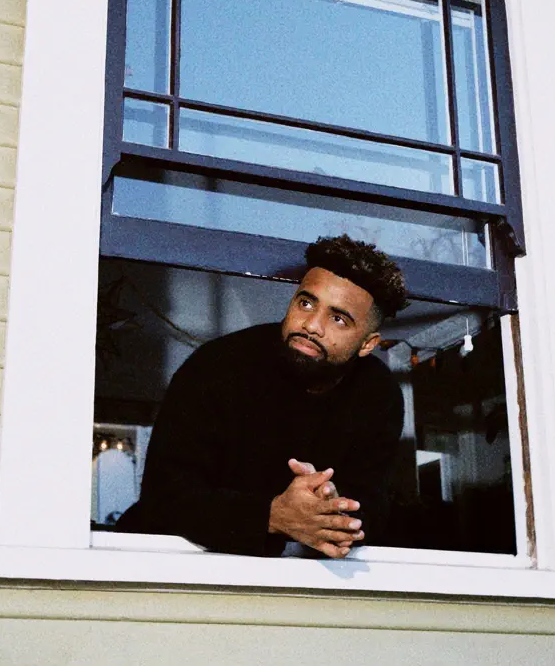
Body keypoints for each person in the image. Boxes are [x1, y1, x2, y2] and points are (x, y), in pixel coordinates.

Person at [115, 235, 408, 558]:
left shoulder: (378, 396)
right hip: (158, 563)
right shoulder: (216, 367)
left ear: (367, 344)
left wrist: (332, 507)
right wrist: (272, 516)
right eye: (306, 303)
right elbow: (164, 498)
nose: (311, 325)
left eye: (338, 319)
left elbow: (373, 508)